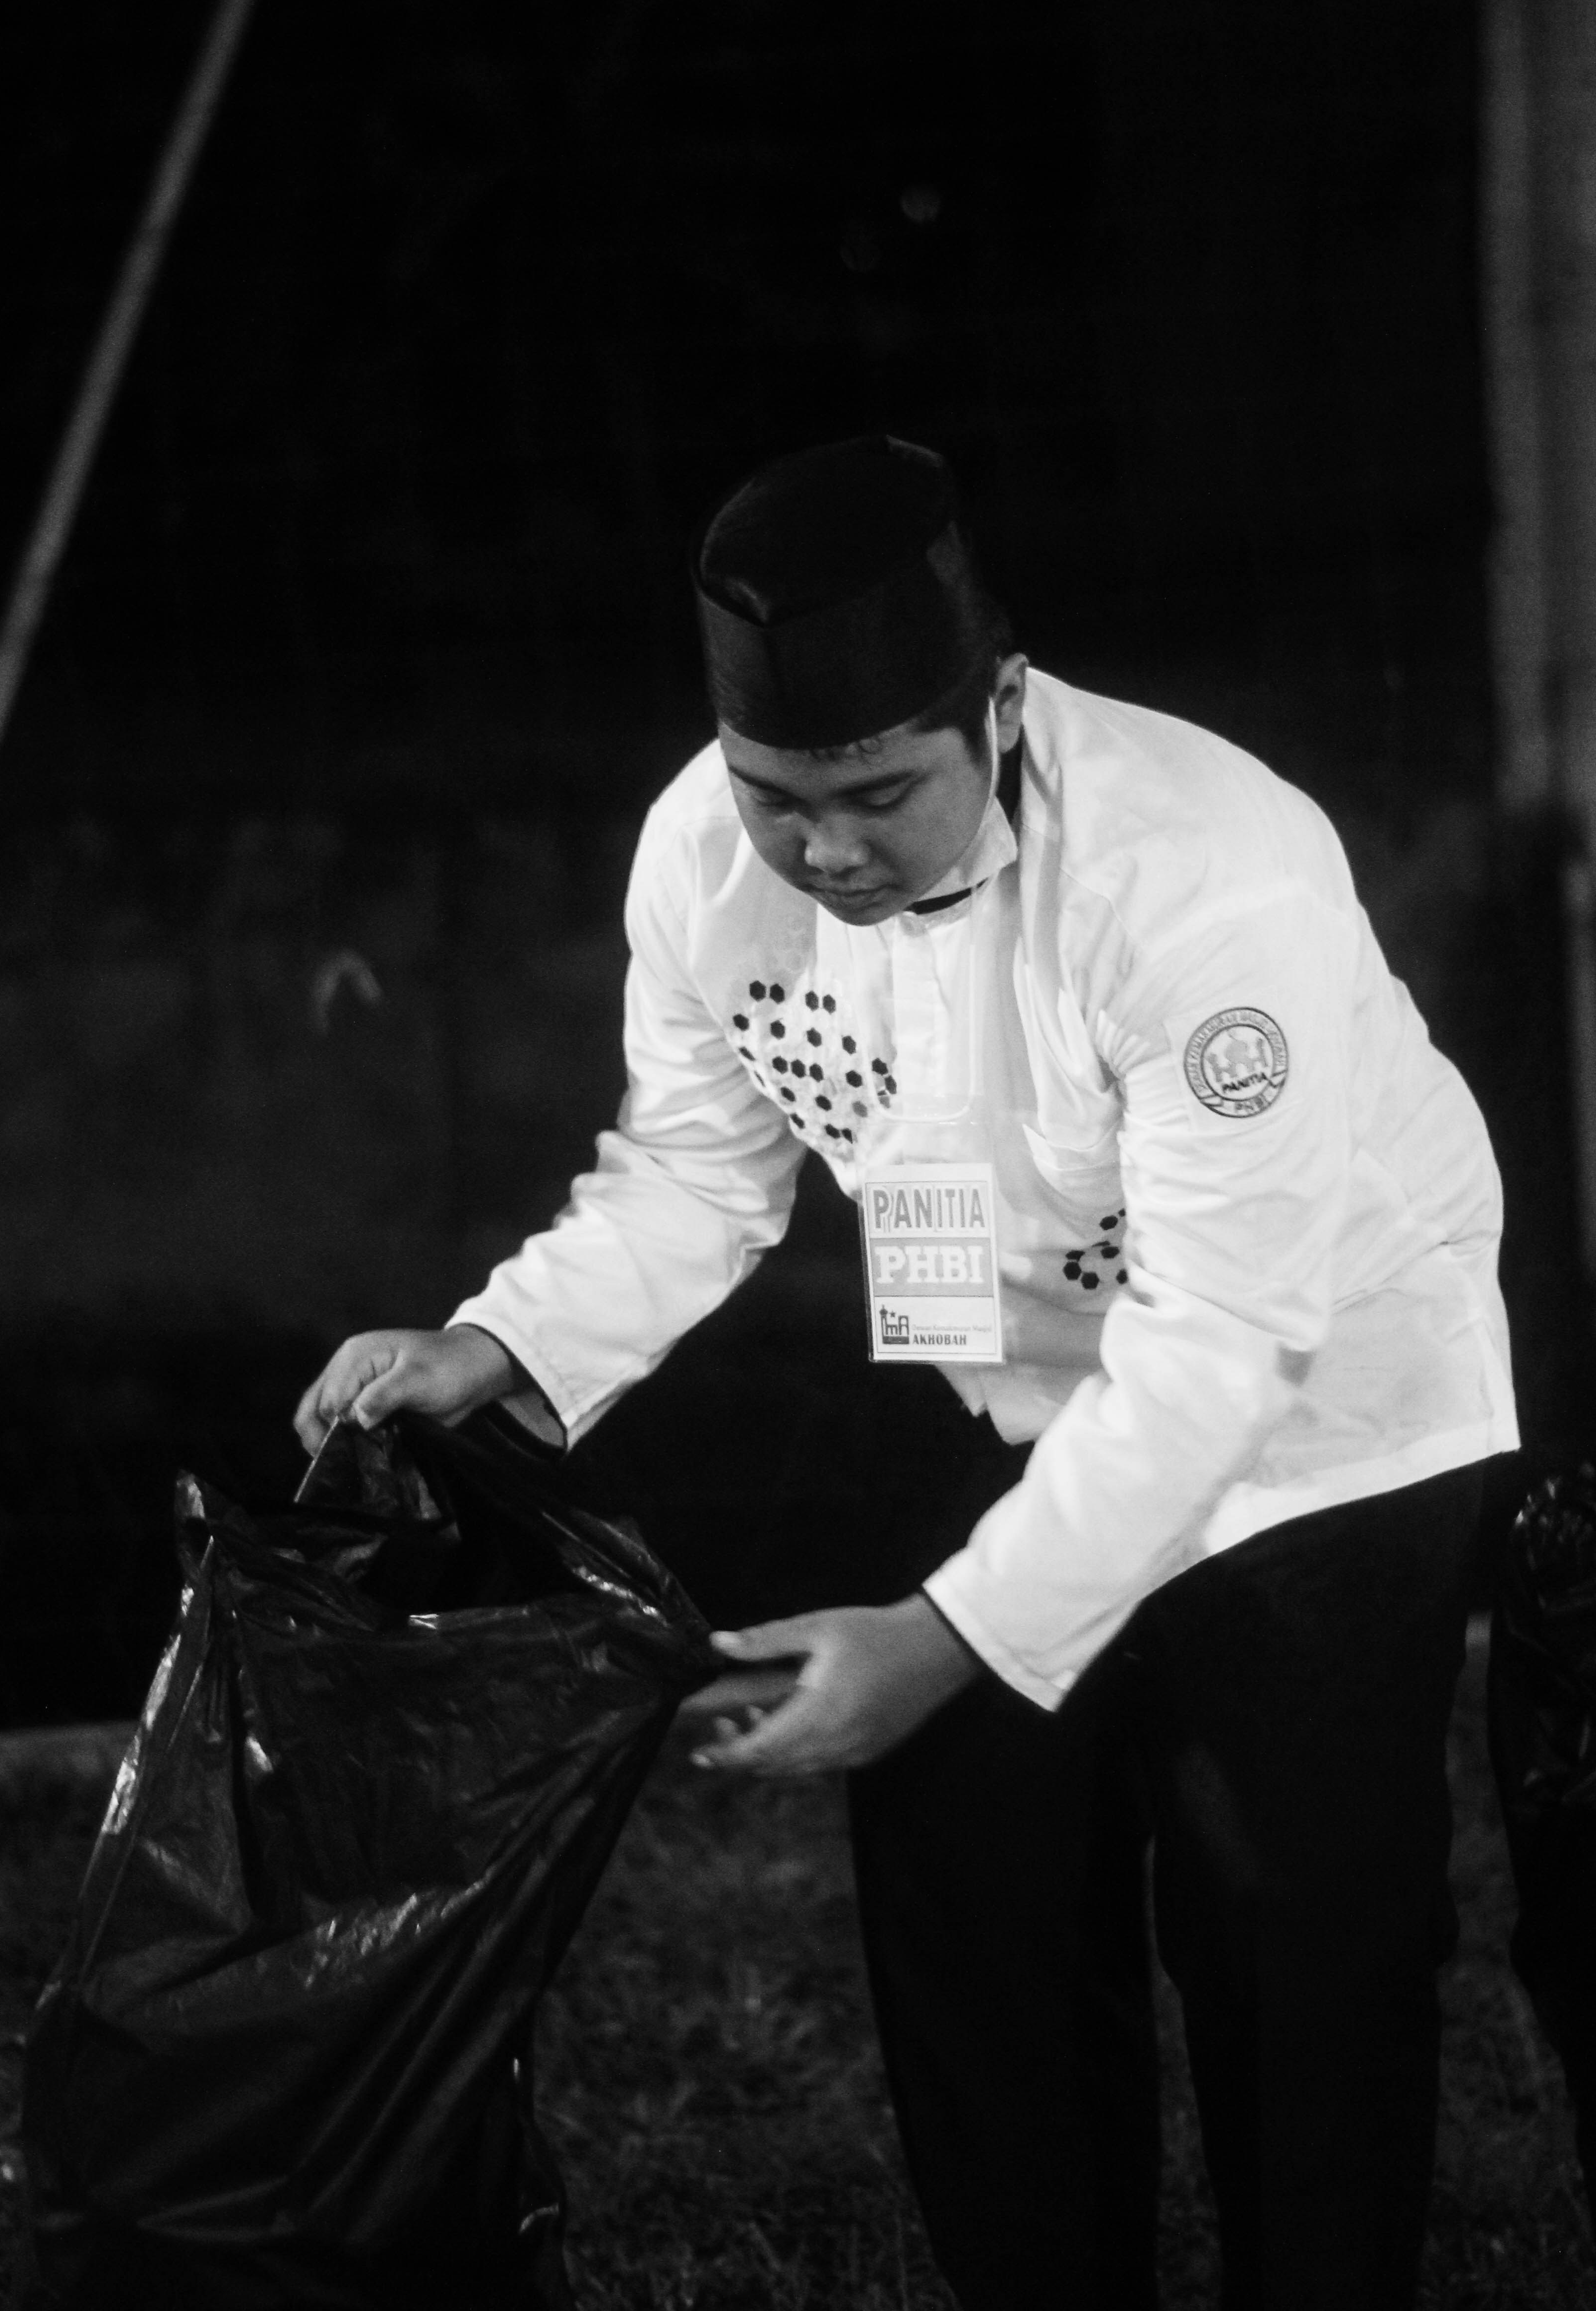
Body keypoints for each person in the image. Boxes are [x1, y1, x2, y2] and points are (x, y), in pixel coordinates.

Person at [296, 435, 1520, 2311]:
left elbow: (1217, 1348)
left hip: (1322, 1410)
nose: (824, 849)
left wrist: (938, 1639)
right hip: (1002, 1388)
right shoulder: (703, 855)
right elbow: (699, 1171)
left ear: (1002, 712)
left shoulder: (1211, 878)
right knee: (974, 1909)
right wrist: (497, 1342)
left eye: (876, 793)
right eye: (781, 797)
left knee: (1294, 1934)